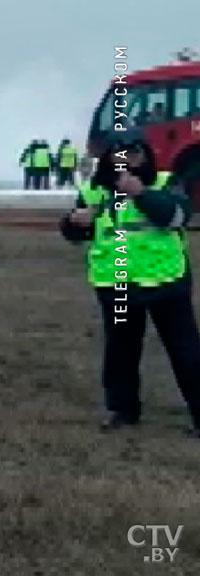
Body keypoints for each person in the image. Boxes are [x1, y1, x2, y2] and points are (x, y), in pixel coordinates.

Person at [59, 130, 200, 435]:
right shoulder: (95, 191)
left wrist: (142, 193)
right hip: (117, 285)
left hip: (166, 283)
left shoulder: (165, 182)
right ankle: (123, 410)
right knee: (120, 351)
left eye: (134, 152)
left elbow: (177, 217)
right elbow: (74, 232)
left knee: (185, 351)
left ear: (145, 153)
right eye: (118, 154)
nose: (126, 160)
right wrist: (74, 222)